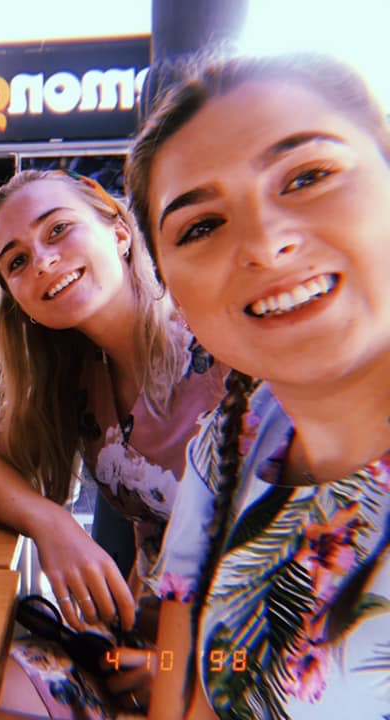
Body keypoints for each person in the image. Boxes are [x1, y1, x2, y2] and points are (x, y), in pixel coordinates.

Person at [125, 49, 390, 719]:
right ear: (174, 294)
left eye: (308, 176)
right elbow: (180, 683)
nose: (267, 243)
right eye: (202, 226)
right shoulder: (233, 437)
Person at [0, 169, 227, 717]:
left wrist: (184, 665)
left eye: (57, 230)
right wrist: (53, 525)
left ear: (119, 232)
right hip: (132, 644)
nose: (42, 261)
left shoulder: (224, 347)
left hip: (243, 658)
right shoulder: (80, 381)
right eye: (17, 261)